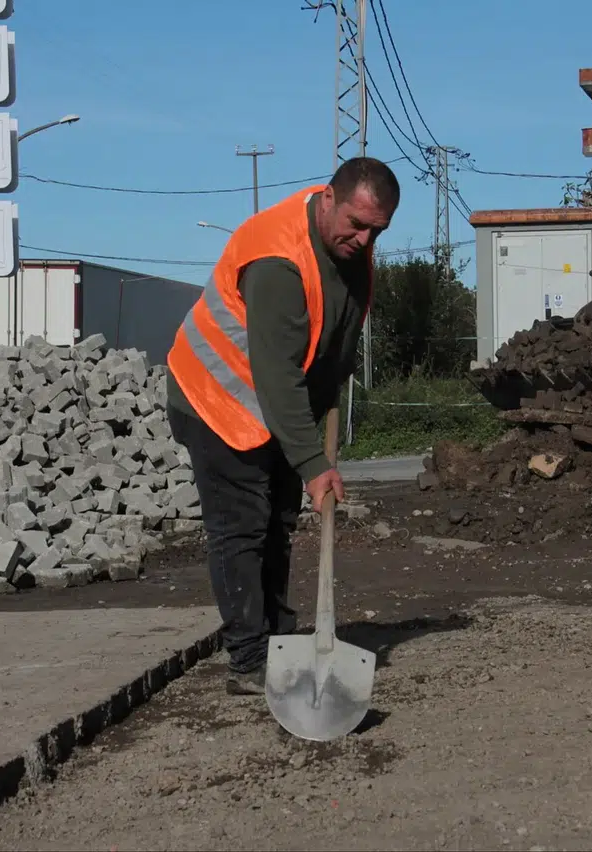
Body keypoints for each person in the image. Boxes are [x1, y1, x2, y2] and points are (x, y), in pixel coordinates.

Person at [164, 157, 401, 695]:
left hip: (271, 405)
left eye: (376, 231)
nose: (364, 240)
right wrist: (314, 465)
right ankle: (247, 659)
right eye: (356, 224)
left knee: (278, 522)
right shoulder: (277, 258)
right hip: (215, 399)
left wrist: (331, 386)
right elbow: (275, 373)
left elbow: (330, 335)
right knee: (242, 527)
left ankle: (277, 638)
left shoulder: (347, 249)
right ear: (327, 200)